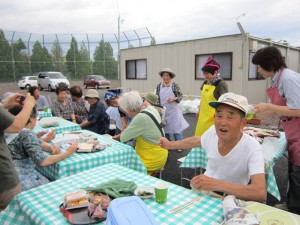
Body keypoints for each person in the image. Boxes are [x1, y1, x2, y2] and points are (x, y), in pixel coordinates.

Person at [159, 93, 266, 202]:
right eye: (219, 116)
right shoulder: (212, 132)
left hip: (231, 200)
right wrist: (169, 145)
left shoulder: (252, 147)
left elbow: (259, 192)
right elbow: (198, 140)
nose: (223, 123)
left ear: (242, 123)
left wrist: (215, 184)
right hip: (203, 192)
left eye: (230, 117)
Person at [252, 46, 300, 214]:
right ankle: (291, 204)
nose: (258, 70)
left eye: (259, 66)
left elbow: (298, 109)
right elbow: (280, 107)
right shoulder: (276, 80)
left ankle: (294, 211)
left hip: (298, 129)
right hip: (292, 130)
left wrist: (269, 106)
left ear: (269, 64)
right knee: (293, 170)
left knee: (298, 173)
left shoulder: (288, 79)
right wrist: (258, 110)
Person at [7, 105, 78, 191]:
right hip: (22, 180)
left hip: (8, 176)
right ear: (30, 118)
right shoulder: (27, 133)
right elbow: (42, 161)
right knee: (57, 188)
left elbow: (36, 143)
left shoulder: (9, 129)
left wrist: (51, 147)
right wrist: (67, 153)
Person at [0, 93, 36, 210]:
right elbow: (17, 126)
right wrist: (29, 104)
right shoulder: (26, 133)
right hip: (4, 179)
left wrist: (5, 106)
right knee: (12, 214)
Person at [119, 91, 168, 176]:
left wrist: (123, 128)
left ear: (129, 110)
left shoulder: (140, 118)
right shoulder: (151, 108)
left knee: (122, 169)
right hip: (160, 152)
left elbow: (123, 138)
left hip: (151, 157)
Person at [156, 68, 189, 152]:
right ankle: (168, 144)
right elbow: (157, 98)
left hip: (174, 111)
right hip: (164, 111)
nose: (165, 77)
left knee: (177, 129)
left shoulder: (174, 85)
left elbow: (180, 96)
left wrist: (174, 99)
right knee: (165, 129)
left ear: (170, 77)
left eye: (167, 75)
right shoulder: (159, 86)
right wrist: (158, 109)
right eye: (163, 75)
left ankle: (179, 145)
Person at [195, 57, 228, 136]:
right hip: (203, 115)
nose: (205, 76)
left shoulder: (221, 84)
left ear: (215, 72)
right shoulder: (206, 82)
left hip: (213, 116)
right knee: (200, 136)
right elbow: (203, 98)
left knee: (211, 137)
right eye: (204, 73)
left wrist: (220, 114)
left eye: (207, 74)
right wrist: (199, 109)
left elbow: (225, 101)